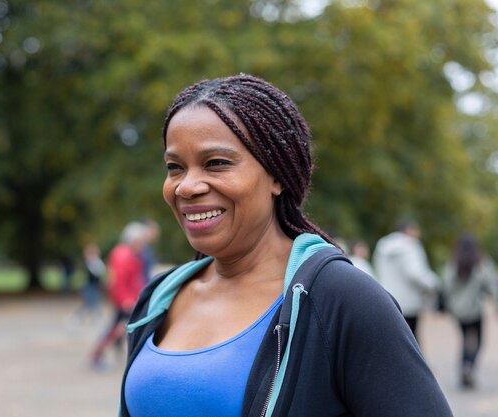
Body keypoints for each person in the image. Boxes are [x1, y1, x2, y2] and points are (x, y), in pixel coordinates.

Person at [120, 74, 453, 416]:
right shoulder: (159, 298)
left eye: (216, 163)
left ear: (276, 175)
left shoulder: (341, 299)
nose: (186, 187)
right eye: (175, 167)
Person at [443, 232, 498, 389]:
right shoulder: (481, 263)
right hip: (475, 311)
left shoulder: (453, 263)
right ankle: (469, 366)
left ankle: (464, 368)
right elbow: (492, 285)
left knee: (464, 340)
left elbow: (446, 286)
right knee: (478, 341)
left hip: (457, 311)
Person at [372, 218, 440, 342]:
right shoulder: (411, 245)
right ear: (409, 230)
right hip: (410, 301)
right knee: (412, 337)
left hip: (388, 298)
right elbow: (415, 272)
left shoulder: (383, 246)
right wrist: (434, 284)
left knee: (396, 337)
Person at [91, 222, 148, 370]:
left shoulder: (133, 255)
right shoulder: (123, 255)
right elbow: (117, 281)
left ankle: (117, 355)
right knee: (117, 329)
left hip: (131, 299)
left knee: (122, 329)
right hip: (125, 301)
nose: (142, 244)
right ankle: (97, 357)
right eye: (140, 240)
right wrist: (125, 300)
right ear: (132, 240)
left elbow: (136, 280)